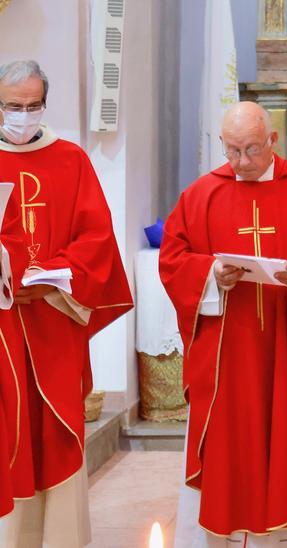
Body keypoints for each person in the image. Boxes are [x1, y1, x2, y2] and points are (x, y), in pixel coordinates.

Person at [163, 102, 287, 545]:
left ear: (273, 140)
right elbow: (174, 261)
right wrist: (211, 273)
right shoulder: (201, 195)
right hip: (230, 354)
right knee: (235, 448)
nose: (242, 162)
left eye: (252, 149)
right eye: (232, 151)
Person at [0, 59, 132, 546]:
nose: (24, 114)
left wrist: (55, 274)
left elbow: (96, 239)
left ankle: (61, 538)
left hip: (55, 319)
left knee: (57, 431)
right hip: (3, 327)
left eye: (34, 105)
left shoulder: (71, 159)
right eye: (14, 106)